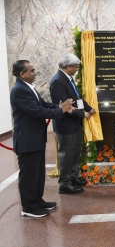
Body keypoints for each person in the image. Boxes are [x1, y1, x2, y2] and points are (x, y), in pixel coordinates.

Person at [10, 60, 74, 217]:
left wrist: (59, 107)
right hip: (27, 140)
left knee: (37, 173)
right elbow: (37, 111)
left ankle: (37, 200)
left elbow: (44, 104)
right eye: (31, 71)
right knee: (29, 175)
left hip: (35, 138)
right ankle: (29, 207)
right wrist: (61, 111)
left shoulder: (28, 87)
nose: (35, 73)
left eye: (34, 70)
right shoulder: (19, 90)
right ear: (22, 74)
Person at [50, 53, 95, 194]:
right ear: (68, 66)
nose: (77, 69)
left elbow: (76, 98)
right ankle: (64, 183)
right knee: (66, 154)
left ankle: (73, 178)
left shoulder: (68, 79)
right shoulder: (58, 81)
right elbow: (65, 106)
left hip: (74, 124)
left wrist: (88, 108)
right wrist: (83, 114)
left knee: (75, 152)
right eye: (75, 67)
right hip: (65, 125)